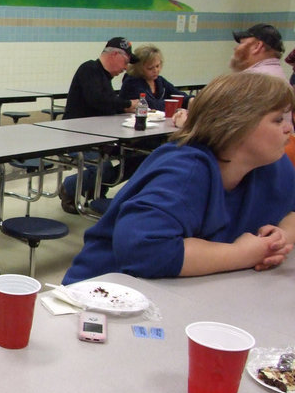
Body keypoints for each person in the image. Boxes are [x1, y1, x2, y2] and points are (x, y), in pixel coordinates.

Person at [63, 73, 295, 284]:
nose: (289, 129)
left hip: (195, 288)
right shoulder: (186, 170)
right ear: (236, 126)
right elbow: (144, 250)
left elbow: (292, 213)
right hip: (107, 290)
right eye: (277, 120)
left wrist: (279, 238)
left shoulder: (273, 165)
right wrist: (243, 254)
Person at [59, 37, 140, 213]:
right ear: (115, 55)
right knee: (104, 168)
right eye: (125, 62)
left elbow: (108, 105)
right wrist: (126, 104)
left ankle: (96, 189)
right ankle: (69, 187)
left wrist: (124, 109)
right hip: (77, 136)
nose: (125, 68)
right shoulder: (89, 69)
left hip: (99, 137)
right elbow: (98, 100)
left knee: (138, 158)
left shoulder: (105, 77)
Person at [119, 44, 191, 111]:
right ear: (139, 68)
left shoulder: (159, 81)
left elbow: (177, 95)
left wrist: (191, 100)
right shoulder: (132, 82)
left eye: (157, 66)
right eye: (150, 68)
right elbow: (151, 105)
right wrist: (174, 103)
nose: (156, 70)